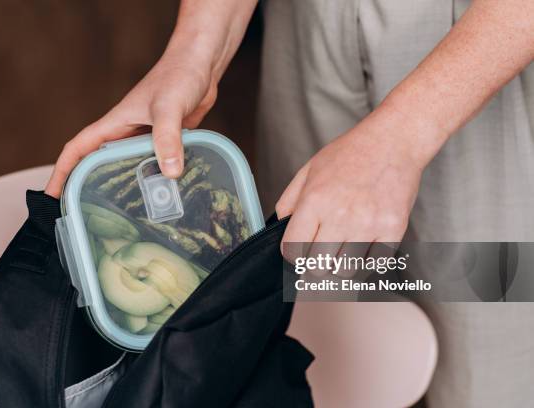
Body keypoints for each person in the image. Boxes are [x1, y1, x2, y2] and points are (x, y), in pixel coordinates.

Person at [45, 0, 534, 406]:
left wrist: (403, 134)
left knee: (487, 343)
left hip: (492, 43)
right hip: (311, 24)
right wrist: (196, 52)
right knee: (316, 308)